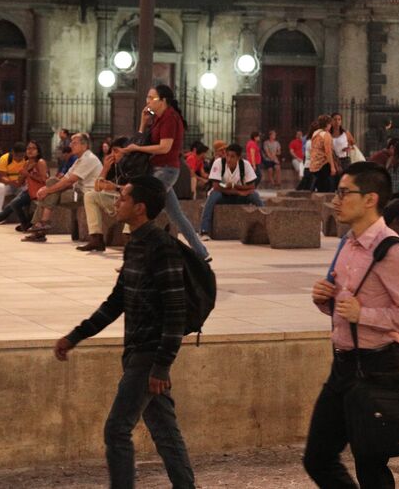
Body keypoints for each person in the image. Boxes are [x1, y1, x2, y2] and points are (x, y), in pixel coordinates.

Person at [54, 175, 195, 488]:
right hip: (135, 353)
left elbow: (176, 312)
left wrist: (161, 365)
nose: (116, 202)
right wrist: (74, 336)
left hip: (149, 355)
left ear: (140, 208)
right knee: (165, 432)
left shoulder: (162, 248)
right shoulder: (135, 246)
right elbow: (116, 302)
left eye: (123, 198)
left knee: (117, 429)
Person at [304, 162, 399, 488]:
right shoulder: (347, 243)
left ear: (370, 199)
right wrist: (326, 300)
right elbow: (345, 307)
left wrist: (365, 316)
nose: (337, 199)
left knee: (371, 465)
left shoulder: (393, 251)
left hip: (379, 366)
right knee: (317, 458)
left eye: (345, 192)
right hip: (343, 364)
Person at [129, 84, 209, 261]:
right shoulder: (158, 118)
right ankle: (201, 253)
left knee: (143, 210)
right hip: (157, 169)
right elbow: (141, 141)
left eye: (152, 98)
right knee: (176, 215)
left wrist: (139, 149)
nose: (148, 102)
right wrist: (143, 123)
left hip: (166, 170)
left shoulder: (170, 118)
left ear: (163, 100)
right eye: (147, 98)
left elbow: (165, 147)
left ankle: (138, 254)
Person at [26, 134, 104, 243]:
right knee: (52, 182)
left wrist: (47, 190)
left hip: (88, 195)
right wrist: (45, 188)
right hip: (78, 193)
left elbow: (70, 181)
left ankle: (40, 225)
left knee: (50, 190)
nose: (71, 145)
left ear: (84, 145)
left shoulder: (89, 159)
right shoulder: (78, 160)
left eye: (74, 143)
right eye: (71, 142)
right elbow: (64, 178)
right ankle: (42, 225)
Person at [0, 140, 44, 233]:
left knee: (13, 204)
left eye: (33, 148)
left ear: (38, 151)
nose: (30, 151)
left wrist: (28, 175)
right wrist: (20, 179)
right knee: (12, 205)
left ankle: (25, 224)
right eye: (29, 148)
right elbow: (18, 180)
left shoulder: (40, 162)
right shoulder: (26, 163)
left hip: (37, 191)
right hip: (27, 190)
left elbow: (44, 180)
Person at [198, 144, 263, 239]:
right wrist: (238, 191)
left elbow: (251, 186)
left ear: (239, 158)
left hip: (239, 197)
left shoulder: (245, 165)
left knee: (255, 195)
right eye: (227, 155)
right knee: (213, 195)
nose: (228, 159)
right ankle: (204, 230)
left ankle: (266, 226)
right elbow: (216, 186)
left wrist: (233, 186)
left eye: (232, 156)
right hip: (223, 196)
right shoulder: (219, 163)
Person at [303, 114, 337, 192]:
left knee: (320, 188)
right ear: (328, 124)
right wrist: (332, 167)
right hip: (324, 164)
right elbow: (328, 152)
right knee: (328, 189)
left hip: (315, 164)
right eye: (330, 123)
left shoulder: (315, 133)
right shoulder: (326, 135)